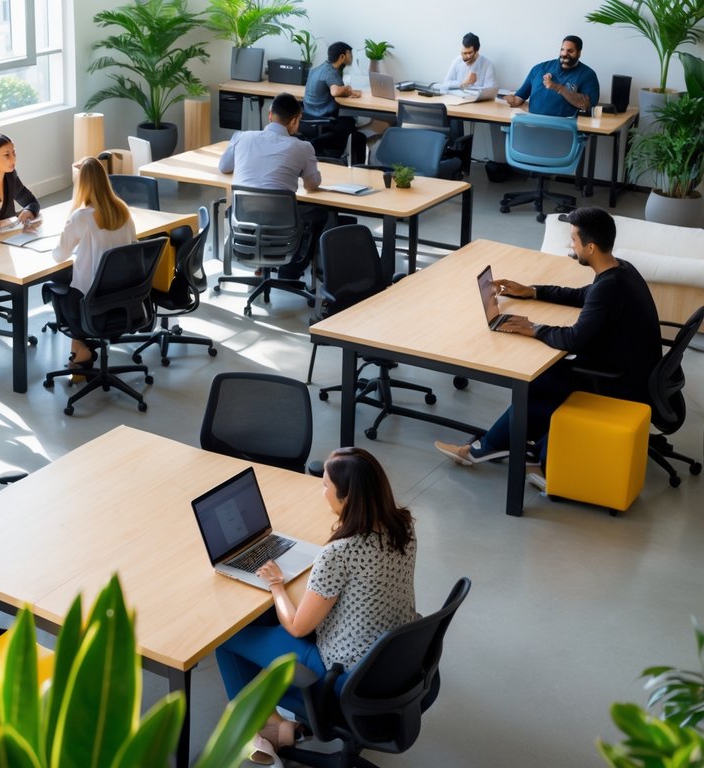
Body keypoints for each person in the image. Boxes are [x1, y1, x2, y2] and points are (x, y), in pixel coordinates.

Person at [215, 448, 417, 765]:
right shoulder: (403, 526)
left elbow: (297, 626)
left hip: (344, 669)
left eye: (325, 486)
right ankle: (278, 729)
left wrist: (277, 585)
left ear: (348, 497)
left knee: (226, 640)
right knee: (270, 619)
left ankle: (255, 729)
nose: (321, 492)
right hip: (389, 657)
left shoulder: (339, 552)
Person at [434, 207, 660, 489]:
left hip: (618, 382)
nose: (570, 245)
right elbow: (582, 296)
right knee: (545, 381)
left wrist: (533, 328)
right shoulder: (620, 269)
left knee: (538, 382)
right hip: (632, 371)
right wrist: (533, 291)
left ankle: (486, 450)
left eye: (574, 240)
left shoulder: (610, 286)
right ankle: (522, 447)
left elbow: (573, 339)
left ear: (589, 247)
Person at [218, 92, 329, 278]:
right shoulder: (302, 147)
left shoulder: (242, 137)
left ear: (270, 114)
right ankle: (291, 270)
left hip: (245, 222)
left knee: (264, 210)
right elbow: (312, 185)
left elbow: (224, 167)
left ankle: (263, 261)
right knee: (321, 213)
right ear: (294, 121)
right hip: (281, 225)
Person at [49, 157, 138, 367]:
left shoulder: (81, 217)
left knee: (59, 285)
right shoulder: (123, 210)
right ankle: (81, 354)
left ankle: (81, 351)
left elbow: (59, 256)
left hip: (93, 301)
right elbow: (134, 245)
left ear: (82, 185)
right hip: (123, 296)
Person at [301, 42, 366, 163]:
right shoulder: (331, 71)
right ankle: (321, 147)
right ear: (342, 57)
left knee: (349, 125)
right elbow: (335, 91)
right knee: (350, 124)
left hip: (308, 115)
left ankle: (326, 148)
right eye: (350, 54)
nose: (351, 57)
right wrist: (348, 90)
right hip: (323, 116)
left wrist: (347, 91)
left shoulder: (316, 69)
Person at [503, 35, 599, 117]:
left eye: (570, 51)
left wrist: (558, 88)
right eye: (562, 50)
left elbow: (588, 105)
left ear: (579, 53)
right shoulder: (539, 69)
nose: (564, 54)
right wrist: (500, 97)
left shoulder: (587, 74)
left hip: (565, 129)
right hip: (532, 125)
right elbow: (518, 100)